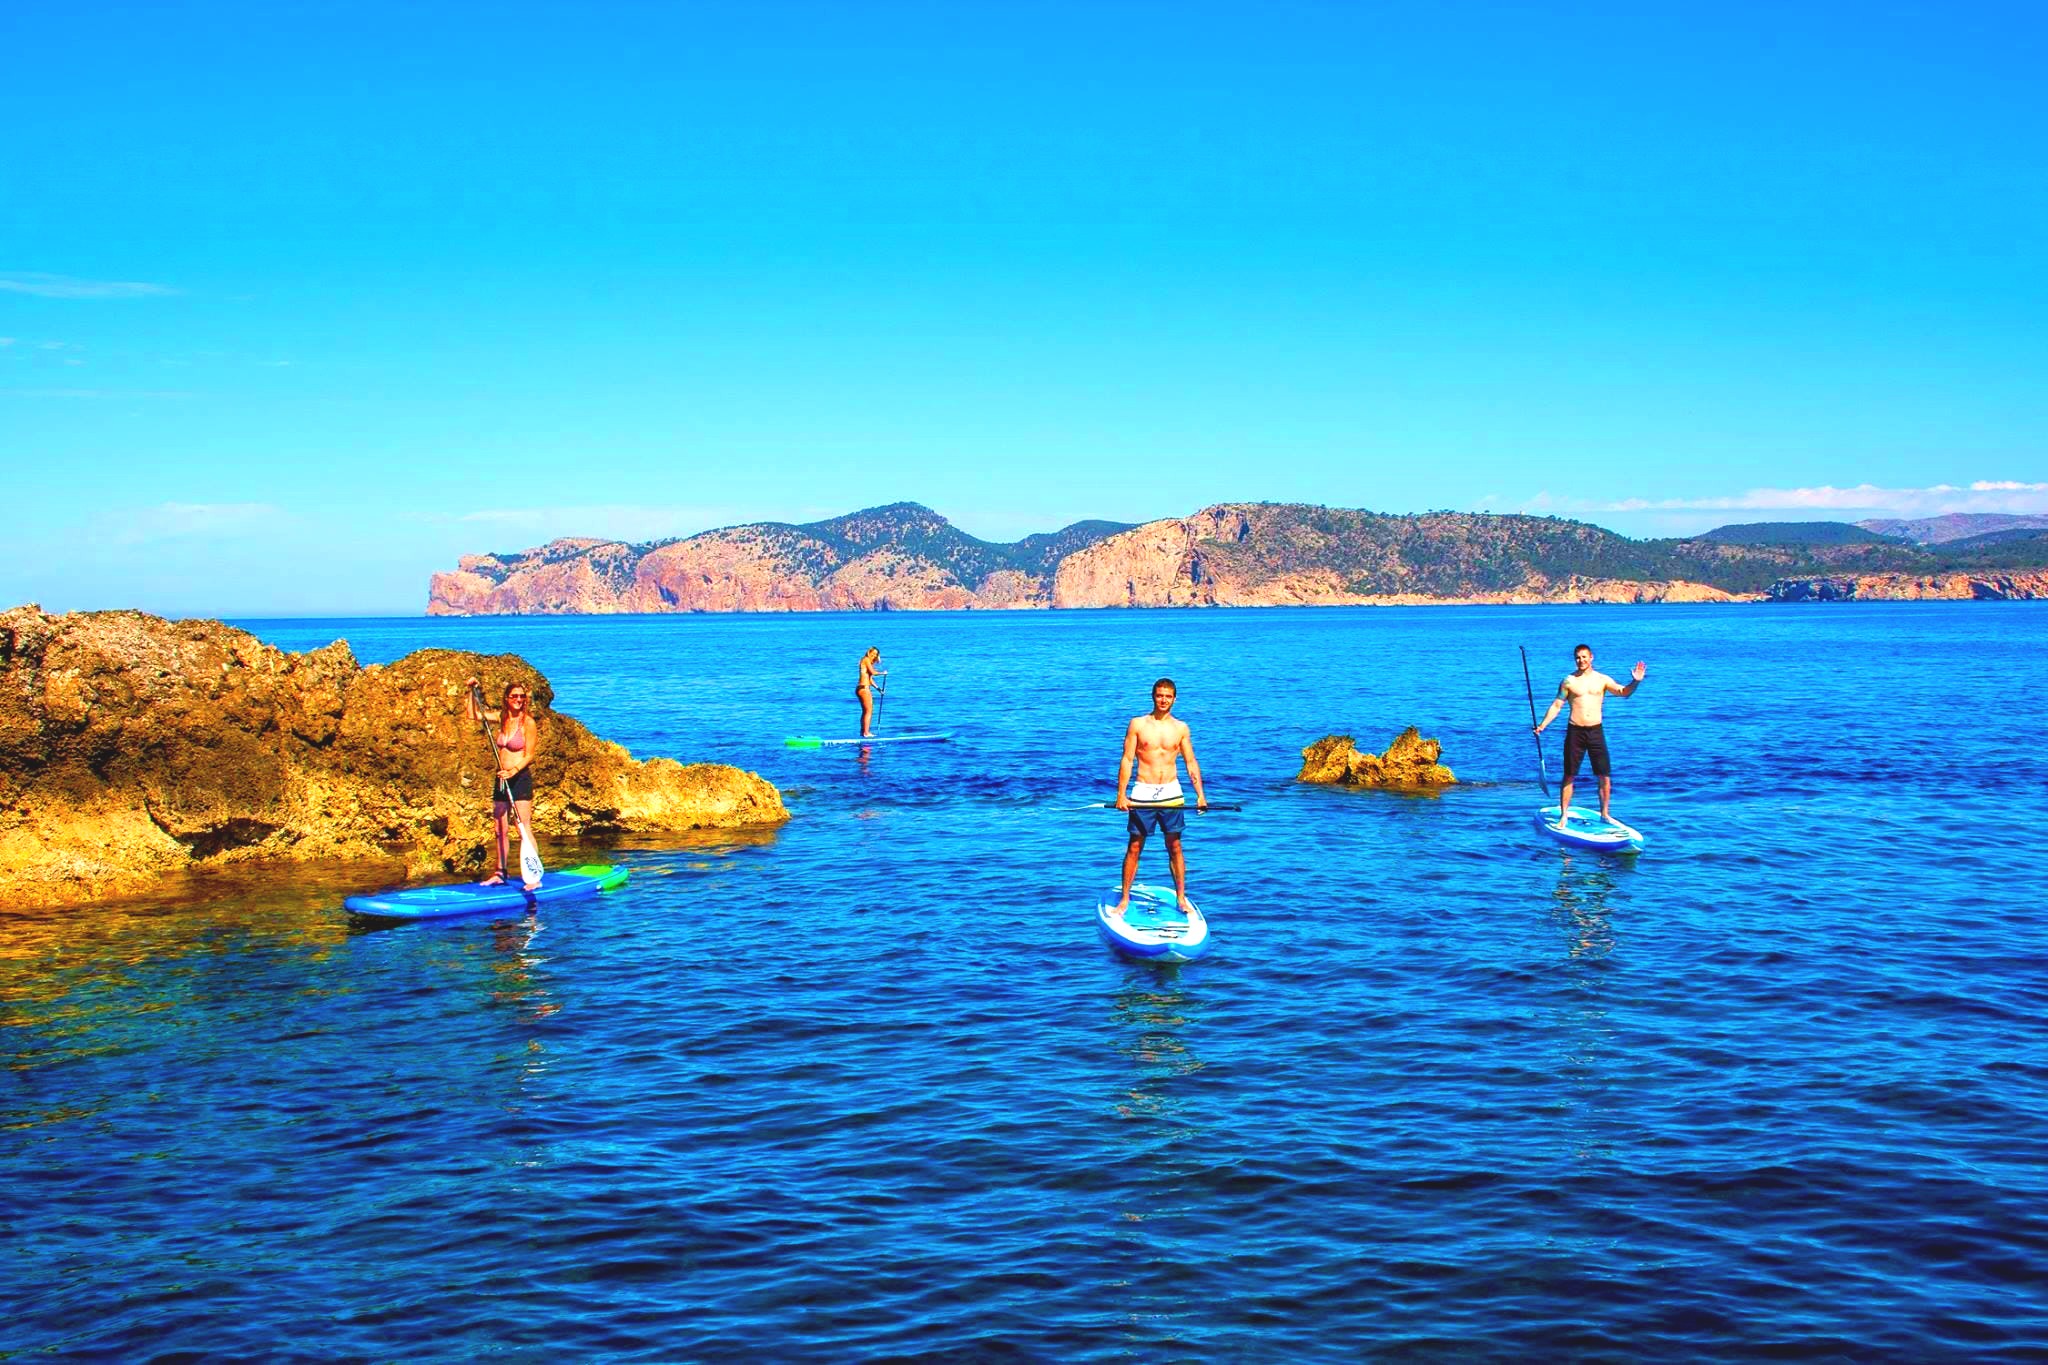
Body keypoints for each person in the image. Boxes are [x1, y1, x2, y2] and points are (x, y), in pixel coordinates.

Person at [1111, 677, 1208, 917]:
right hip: (1142, 791)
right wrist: (1121, 794)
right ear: (1153, 696)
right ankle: (1124, 898)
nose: (1163, 700)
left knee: (1174, 845)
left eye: (1168, 696)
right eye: (1159, 695)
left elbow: (1190, 761)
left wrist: (1200, 796)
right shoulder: (1137, 724)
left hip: (1171, 793)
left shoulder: (1181, 728)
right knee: (1134, 846)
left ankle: (1181, 898)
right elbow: (1127, 759)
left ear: (1174, 699)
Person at [1533, 644, 1645, 824]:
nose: (1581, 660)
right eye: (1578, 657)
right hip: (1575, 731)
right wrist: (1542, 725)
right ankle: (1564, 815)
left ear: (1591, 657)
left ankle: (1605, 814)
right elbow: (1557, 705)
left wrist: (1636, 681)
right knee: (1569, 774)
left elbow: (1623, 692)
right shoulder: (1568, 681)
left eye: (1584, 657)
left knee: (1604, 775)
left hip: (1595, 731)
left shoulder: (1602, 679)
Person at [465, 676, 540, 888]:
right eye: (514, 696)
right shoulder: (502, 718)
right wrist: (472, 691)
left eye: (522, 697)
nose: (519, 700)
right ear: (507, 699)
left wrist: (514, 770)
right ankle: (500, 873)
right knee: (500, 829)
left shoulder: (528, 723)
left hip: (519, 778)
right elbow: (473, 714)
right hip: (500, 778)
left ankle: (533, 877)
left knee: (522, 827)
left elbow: (529, 755)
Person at [855, 647, 886, 738]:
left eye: (876, 654)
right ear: (869, 652)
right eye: (874, 653)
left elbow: (870, 679)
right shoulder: (866, 659)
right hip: (864, 689)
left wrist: (878, 689)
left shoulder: (866, 661)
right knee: (869, 711)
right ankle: (866, 733)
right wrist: (883, 673)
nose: (875, 655)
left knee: (865, 711)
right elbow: (873, 672)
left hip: (862, 688)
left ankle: (863, 732)